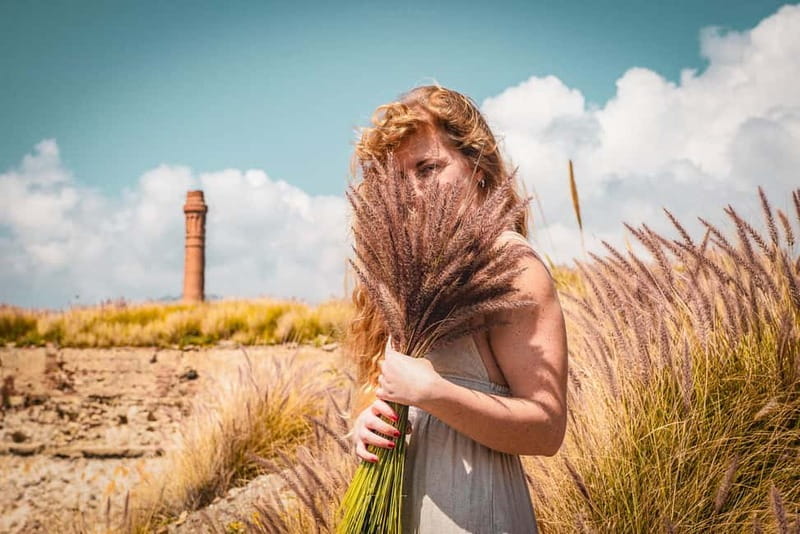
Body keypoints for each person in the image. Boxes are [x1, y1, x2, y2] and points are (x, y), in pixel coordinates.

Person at [345, 84, 568, 533]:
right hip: (395, 509)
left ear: (479, 169)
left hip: (472, 512)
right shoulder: (400, 271)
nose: (412, 192)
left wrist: (432, 393)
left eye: (428, 168)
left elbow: (547, 429)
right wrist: (363, 425)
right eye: (398, 178)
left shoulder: (510, 263)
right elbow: (377, 390)